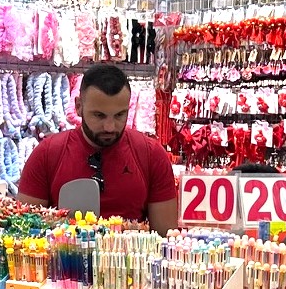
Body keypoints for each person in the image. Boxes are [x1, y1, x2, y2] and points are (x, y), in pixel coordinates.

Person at [16, 64, 179, 230]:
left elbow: (166, 236)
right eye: (99, 115)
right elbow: (23, 231)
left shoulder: (151, 155)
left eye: (119, 115)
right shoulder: (47, 154)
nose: (109, 127)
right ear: (78, 107)